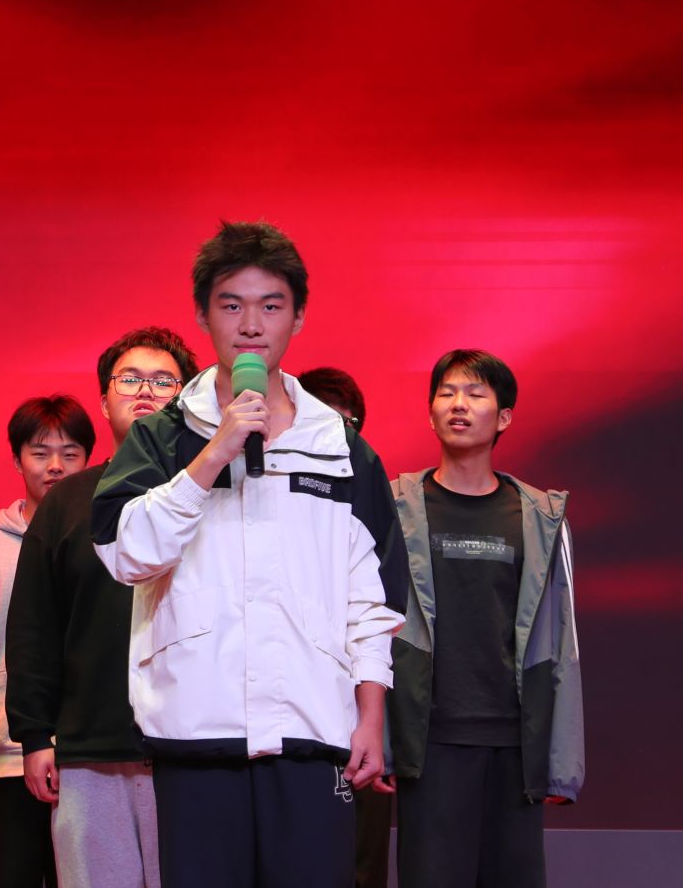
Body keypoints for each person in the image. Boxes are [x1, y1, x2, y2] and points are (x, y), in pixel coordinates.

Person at [92, 222, 406, 888]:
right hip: (196, 730)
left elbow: (373, 598)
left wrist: (371, 713)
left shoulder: (341, 447)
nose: (252, 324)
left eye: (271, 305)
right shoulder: (164, 436)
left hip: (313, 729)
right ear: (203, 314)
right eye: (232, 304)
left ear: (299, 315)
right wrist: (213, 456)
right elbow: (126, 553)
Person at [6, 326, 198, 888]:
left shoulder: (213, 495)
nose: (146, 391)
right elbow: (35, 627)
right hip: (89, 752)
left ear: (187, 399)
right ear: (104, 401)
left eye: (163, 381)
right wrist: (35, 736)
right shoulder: (66, 501)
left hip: (195, 752)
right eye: (129, 379)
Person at [389, 350, 583, 888]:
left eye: (476, 394)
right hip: (429, 741)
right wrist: (380, 743)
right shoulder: (397, 507)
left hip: (514, 744)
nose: (459, 404)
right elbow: (367, 627)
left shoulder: (540, 516)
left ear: (504, 417)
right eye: (447, 393)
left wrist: (561, 762)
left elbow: (563, 642)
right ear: (430, 412)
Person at [0, 396, 94, 888]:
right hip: (4, 757)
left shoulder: (109, 540)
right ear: (16, 459)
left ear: (89, 459)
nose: (55, 466)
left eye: (70, 453)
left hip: (89, 758)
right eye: (40, 453)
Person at [297, 366, 392, 888]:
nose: (334, 432)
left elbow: (380, 620)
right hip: (292, 726)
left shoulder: (373, 502)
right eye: (320, 417)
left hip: (358, 720)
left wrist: (373, 723)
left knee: (361, 867)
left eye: (347, 423)